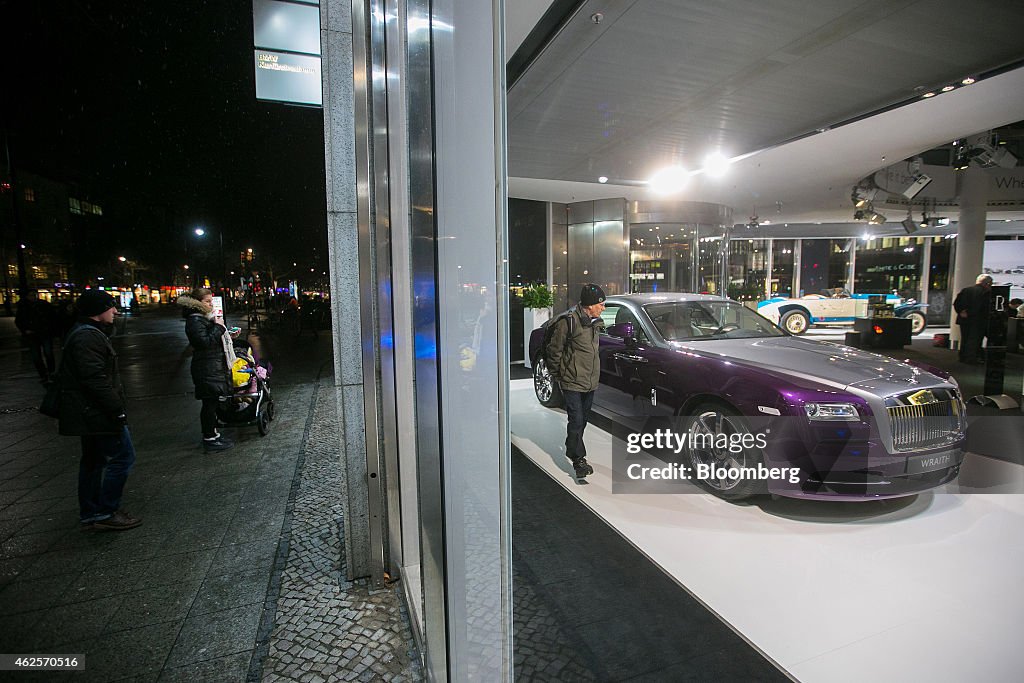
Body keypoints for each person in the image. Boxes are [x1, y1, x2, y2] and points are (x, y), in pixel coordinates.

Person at [58, 290, 141, 531]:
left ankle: (91, 511)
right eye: (110, 307)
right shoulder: (88, 337)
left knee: (93, 461)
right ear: (98, 311)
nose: (115, 311)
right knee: (123, 457)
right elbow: (95, 379)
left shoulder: (84, 333)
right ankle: (106, 510)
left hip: (88, 411)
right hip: (96, 412)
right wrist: (116, 408)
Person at [546, 284, 606, 479]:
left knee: (583, 421)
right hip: (571, 380)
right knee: (577, 419)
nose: (603, 308)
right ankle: (578, 460)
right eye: (601, 304)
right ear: (590, 305)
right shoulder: (568, 322)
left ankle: (572, 446)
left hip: (589, 382)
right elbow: (554, 351)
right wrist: (559, 375)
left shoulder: (595, 322)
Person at [177, 288, 235, 452]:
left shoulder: (202, 318)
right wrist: (219, 328)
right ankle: (209, 438)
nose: (211, 304)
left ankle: (213, 434)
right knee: (209, 403)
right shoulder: (195, 320)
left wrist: (225, 333)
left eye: (211, 301)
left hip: (212, 366)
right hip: (206, 368)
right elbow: (204, 342)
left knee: (213, 402)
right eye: (207, 301)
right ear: (197, 303)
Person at [15, 289, 57, 383]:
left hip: (43, 333)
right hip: (34, 334)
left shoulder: (42, 305)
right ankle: (45, 374)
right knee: (37, 356)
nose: (33, 297)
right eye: (31, 295)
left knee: (47, 353)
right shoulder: (24, 307)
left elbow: (52, 317)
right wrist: (25, 330)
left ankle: (50, 372)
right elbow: (19, 321)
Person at [953, 274, 993, 364]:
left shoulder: (966, 290)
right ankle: (971, 358)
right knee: (976, 339)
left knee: (965, 338)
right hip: (979, 320)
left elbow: (956, 303)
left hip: (965, 320)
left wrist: (961, 312)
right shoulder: (986, 293)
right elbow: (985, 307)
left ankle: (963, 357)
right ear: (987, 284)